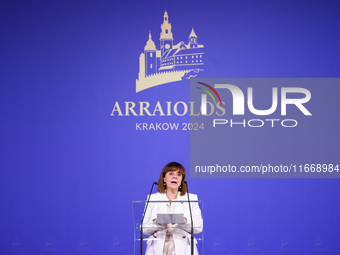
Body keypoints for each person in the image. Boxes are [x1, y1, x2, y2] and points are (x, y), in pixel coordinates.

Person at [143, 162, 203, 255]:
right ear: (164, 178)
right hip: (157, 249)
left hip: (184, 249)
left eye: (179, 175)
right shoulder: (153, 198)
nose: (175, 177)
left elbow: (199, 227)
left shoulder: (191, 198)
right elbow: (144, 229)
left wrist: (184, 221)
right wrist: (158, 222)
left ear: (182, 180)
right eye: (171, 173)